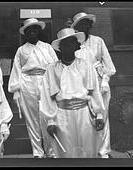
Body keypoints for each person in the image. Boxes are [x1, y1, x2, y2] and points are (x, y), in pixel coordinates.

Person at [39, 28, 106, 158]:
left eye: (71, 43)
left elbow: (95, 92)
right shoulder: (52, 69)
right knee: (65, 152)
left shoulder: (86, 65)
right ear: (60, 48)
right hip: (62, 115)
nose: (68, 47)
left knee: (87, 150)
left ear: (77, 46)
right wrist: (51, 121)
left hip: (84, 113)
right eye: (64, 44)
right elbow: (47, 97)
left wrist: (99, 114)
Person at [8, 18, 59, 158]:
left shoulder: (47, 47)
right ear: (25, 32)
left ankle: (51, 150)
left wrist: (56, 87)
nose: (32, 31)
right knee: (32, 119)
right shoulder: (21, 50)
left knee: (48, 116)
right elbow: (17, 70)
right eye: (28, 29)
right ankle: (37, 151)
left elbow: (55, 67)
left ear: (38, 30)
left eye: (34, 29)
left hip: (45, 82)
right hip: (27, 83)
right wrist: (16, 91)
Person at [71, 12, 116, 158]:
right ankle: (89, 151)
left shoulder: (98, 41)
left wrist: (105, 80)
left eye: (87, 23)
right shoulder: (74, 42)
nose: (84, 26)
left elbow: (107, 63)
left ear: (90, 25)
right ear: (76, 27)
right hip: (81, 84)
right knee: (85, 118)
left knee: (101, 116)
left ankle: (103, 151)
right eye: (81, 24)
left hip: (98, 80)